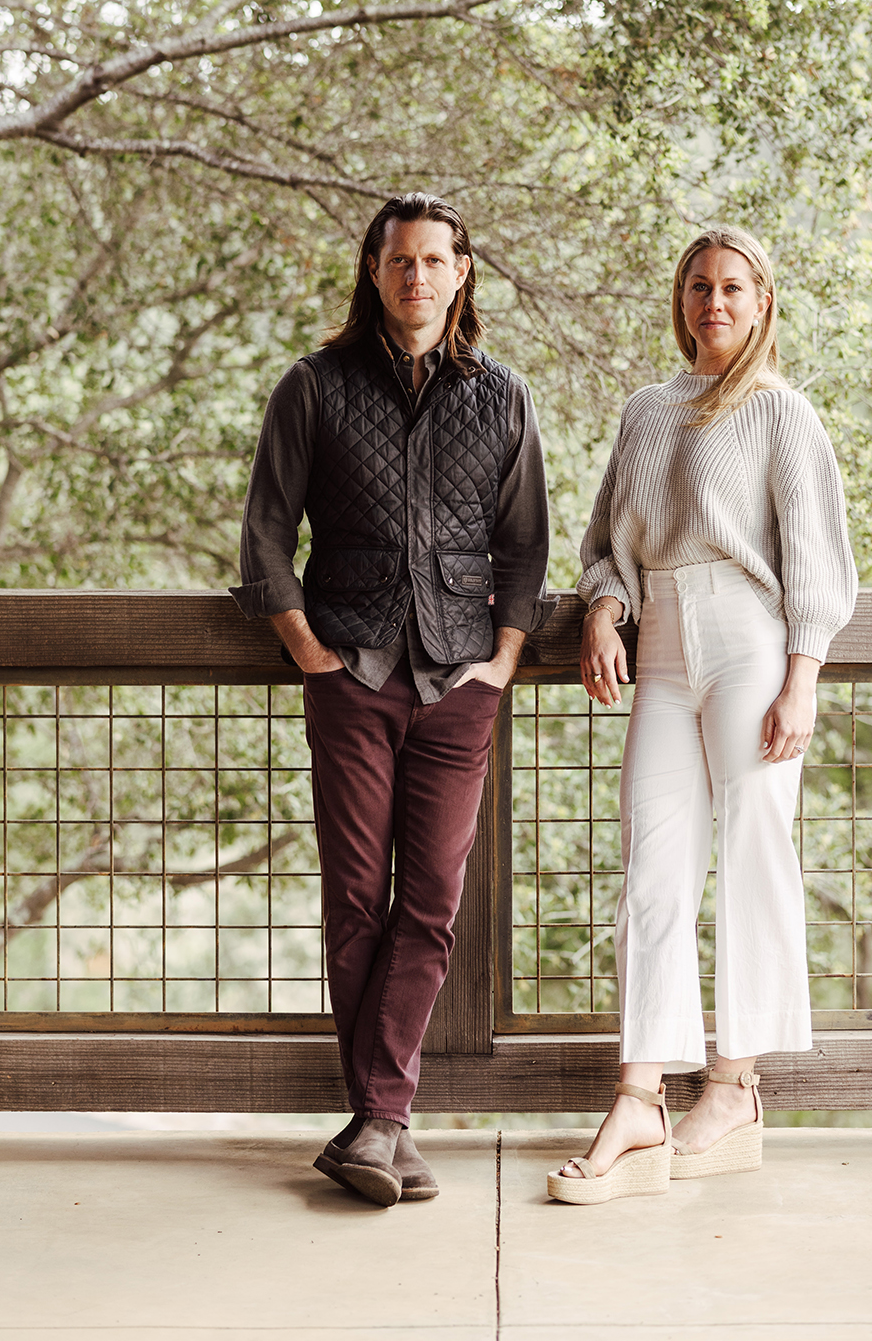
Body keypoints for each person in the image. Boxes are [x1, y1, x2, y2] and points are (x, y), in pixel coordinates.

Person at [231, 192, 552, 1208]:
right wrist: (310, 655)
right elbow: (265, 540)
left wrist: (500, 661)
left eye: (435, 261)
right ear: (373, 272)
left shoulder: (502, 397)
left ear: (464, 274)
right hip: (352, 675)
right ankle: (385, 1123)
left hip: (459, 683)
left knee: (434, 906)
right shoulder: (313, 387)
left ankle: (378, 1122)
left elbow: (527, 544)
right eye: (399, 260)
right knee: (354, 897)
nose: (417, 277)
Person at [549, 224, 857, 1206]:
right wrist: (604, 609)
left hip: (751, 642)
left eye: (732, 287)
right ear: (680, 302)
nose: (713, 303)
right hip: (664, 650)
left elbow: (816, 560)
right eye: (697, 287)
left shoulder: (783, 415)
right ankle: (641, 1099)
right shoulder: (646, 412)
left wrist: (802, 675)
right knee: (655, 862)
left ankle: (733, 1088)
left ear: (762, 302)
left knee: (755, 850)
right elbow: (607, 543)